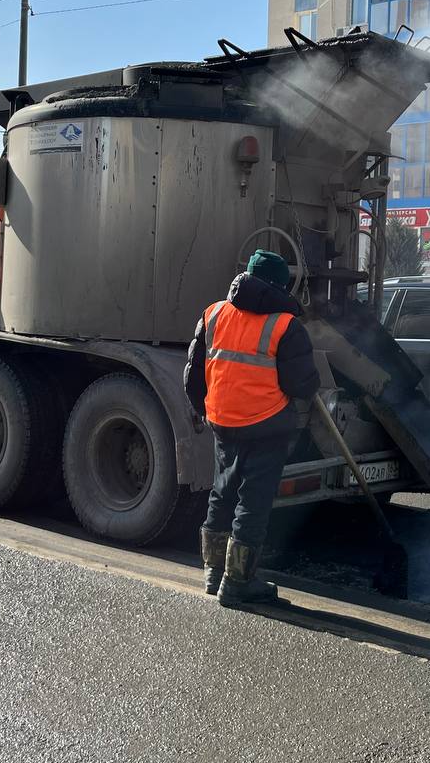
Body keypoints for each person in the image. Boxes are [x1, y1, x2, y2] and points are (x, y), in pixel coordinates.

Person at [184, 249, 320, 607]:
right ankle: (239, 582)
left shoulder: (213, 313)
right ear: (278, 284)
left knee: (222, 493)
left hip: (223, 421)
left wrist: (206, 410)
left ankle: (213, 574)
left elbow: (193, 374)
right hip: (266, 425)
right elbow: (300, 385)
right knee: (252, 503)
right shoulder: (285, 325)